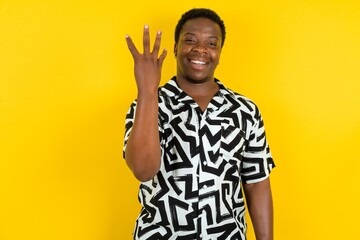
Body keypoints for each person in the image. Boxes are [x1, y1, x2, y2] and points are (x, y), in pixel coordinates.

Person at [123, 8, 275, 240]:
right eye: (190, 40)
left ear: (220, 52)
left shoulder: (245, 110)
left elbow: (256, 183)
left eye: (212, 44)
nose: (201, 49)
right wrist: (148, 90)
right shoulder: (149, 104)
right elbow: (143, 170)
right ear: (175, 48)